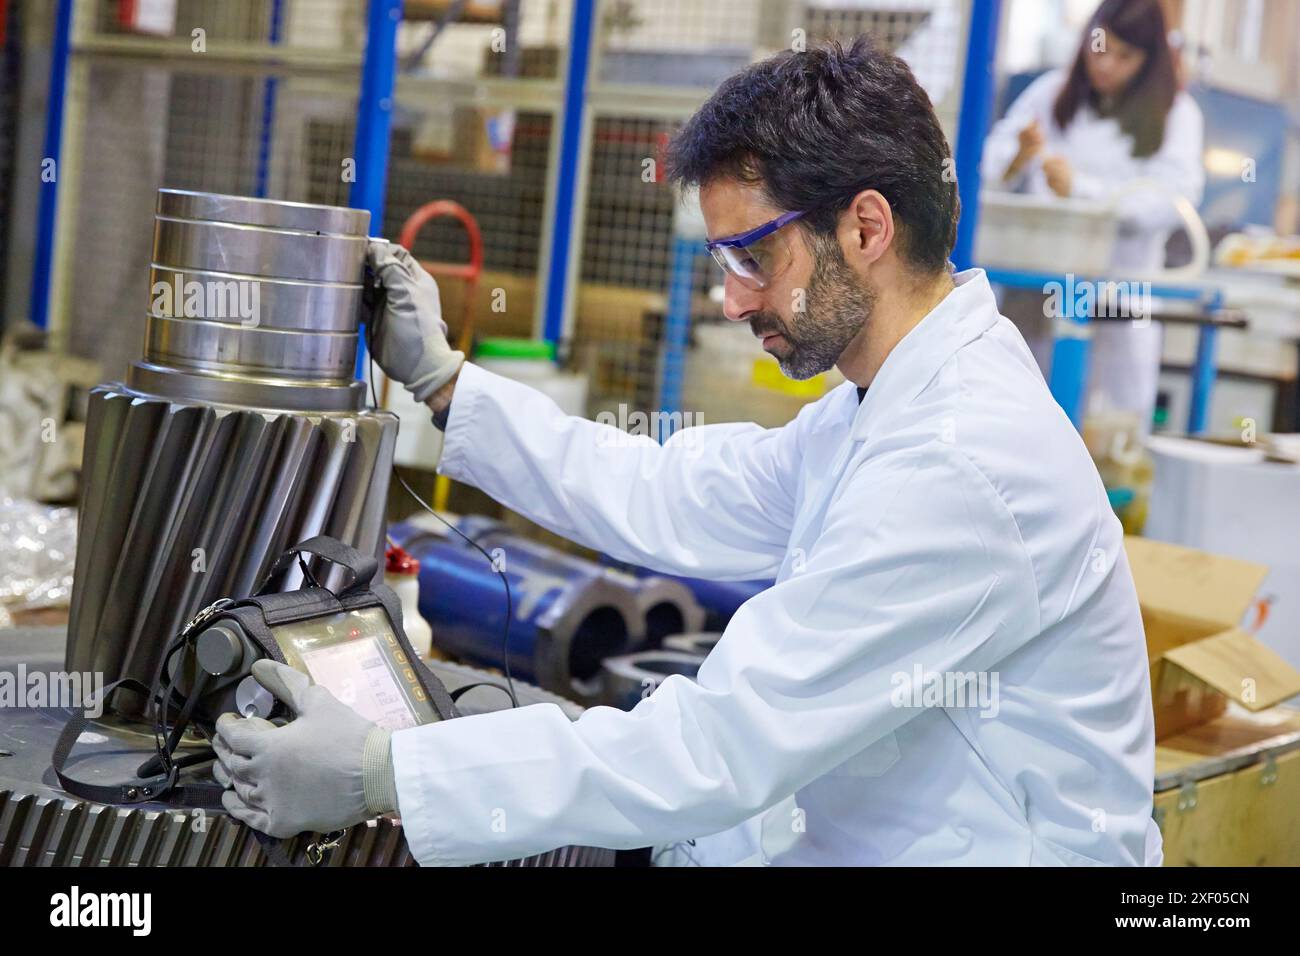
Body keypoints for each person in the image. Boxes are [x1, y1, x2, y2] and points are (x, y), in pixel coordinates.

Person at [213, 38, 1161, 867]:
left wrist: (384, 771)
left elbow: (720, 747)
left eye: (752, 255)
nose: (732, 299)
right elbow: (667, 487)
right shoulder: (880, 409)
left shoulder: (963, 463)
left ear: (865, 228)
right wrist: (446, 383)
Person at [982, 0, 1205, 432]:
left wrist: (1081, 189)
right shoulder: (1049, 94)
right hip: (1035, 299)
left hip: (1118, 302)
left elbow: (1170, 201)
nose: (1105, 64)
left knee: (1105, 442)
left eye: (1124, 56)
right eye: (1100, 48)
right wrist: (1018, 157)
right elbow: (989, 167)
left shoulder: (1176, 116)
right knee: (1020, 427)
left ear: (1149, 60)